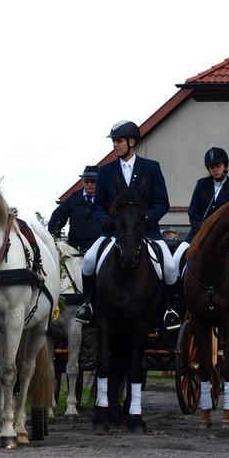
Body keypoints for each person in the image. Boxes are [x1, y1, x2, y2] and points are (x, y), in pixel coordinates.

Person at [75, 120, 181, 331]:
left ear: (132, 142)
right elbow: (97, 206)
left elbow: (162, 203)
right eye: (114, 141)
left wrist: (146, 219)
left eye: (119, 141)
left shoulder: (151, 168)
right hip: (114, 233)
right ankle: (88, 305)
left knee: (169, 266)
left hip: (146, 232)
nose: (115, 145)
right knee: (88, 260)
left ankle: (170, 310)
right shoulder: (105, 171)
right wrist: (104, 218)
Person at [171, 147, 229, 279]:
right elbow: (193, 211)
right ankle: (176, 297)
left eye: (218, 166)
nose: (215, 169)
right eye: (211, 167)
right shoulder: (202, 184)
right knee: (175, 261)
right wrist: (199, 227)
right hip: (198, 232)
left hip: (225, 235)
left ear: (225, 166)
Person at [48, 165, 103, 253]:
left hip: (98, 248)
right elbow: (57, 217)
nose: (89, 184)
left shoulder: (107, 200)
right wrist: (55, 238)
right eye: (86, 181)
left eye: (93, 181)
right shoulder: (73, 198)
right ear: (82, 181)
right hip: (74, 248)